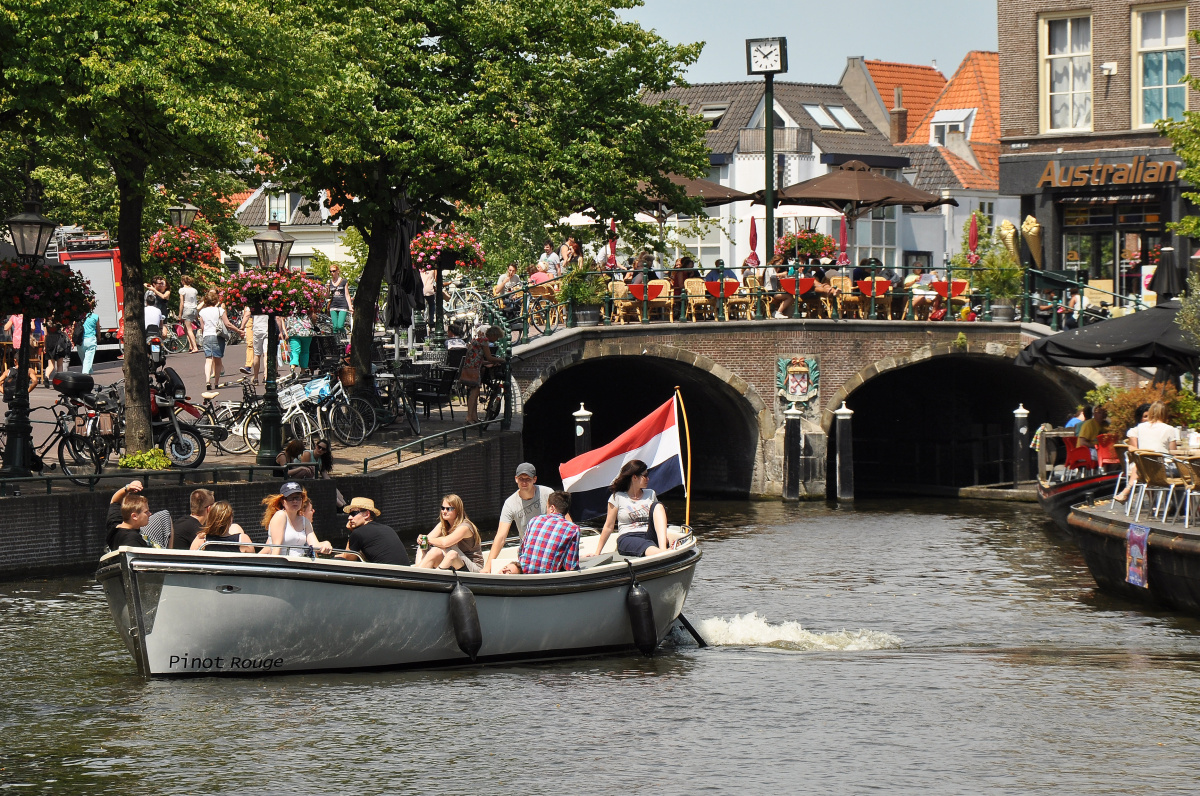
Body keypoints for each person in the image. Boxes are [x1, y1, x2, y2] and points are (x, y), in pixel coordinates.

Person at [482, 462, 553, 573]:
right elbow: (501, 536)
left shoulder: (547, 493)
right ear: (516, 479)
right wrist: (487, 567)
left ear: (534, 479)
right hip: (527, 550)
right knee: (510, 570)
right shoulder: (510, 503)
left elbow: (563, 518)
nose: (524, 482)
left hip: (549, 544)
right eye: (521, 479)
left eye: (528, 479)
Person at [593, 459, 670, 557]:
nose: (648, 479)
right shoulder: (617, 497)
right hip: (628, 537)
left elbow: (658, 520)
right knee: (645, 545)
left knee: (658, 506)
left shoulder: (651, 494)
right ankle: (663, 554)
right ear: (634, 477)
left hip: (649, 534)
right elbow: (608, 526)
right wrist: (597, 552)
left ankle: (663, 549)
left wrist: (665, 539)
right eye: (645, 476)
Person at [499, 491, 580, 575]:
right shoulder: (573, 529)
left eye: (547, 507)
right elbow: (570, 566)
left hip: (525, 573)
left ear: (552, 508)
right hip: (547, 576)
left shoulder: (534, 520)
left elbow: (521, 551)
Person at [1115, 401, 1178, 503]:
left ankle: (1128, 489)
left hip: (1144, 468)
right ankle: (1179, 506)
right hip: (1162, 468)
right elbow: (1173, 453)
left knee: (1139, 463)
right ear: (1165, 414)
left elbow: (1131, 435)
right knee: (1186, 473)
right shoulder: (1169, 429)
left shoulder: (1140, 428)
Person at [259, 482, 333, 556]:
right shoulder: (280, 515)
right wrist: (275, 562)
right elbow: (276, 548)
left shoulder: (305, 522)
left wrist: (326, 543)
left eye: (297, 498)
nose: (295, 501)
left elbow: (315, 545)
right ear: (283, 501)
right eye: (290, 498)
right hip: (284, 561)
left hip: (300, 561)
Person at [414, 494, 483, 571]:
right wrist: (421, 539)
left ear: (458, 510)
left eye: (448, 509)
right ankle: (417, 571)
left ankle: (428, 573)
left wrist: (427, 539)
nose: (444, 511)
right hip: (453, 562)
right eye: (443, 508)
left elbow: (445, 543)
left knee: (448, 548)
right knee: (423, 546)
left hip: (473, 568)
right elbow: (428, 539)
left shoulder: (465, 527)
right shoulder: (442, 525)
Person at [338, 497, 411, 566]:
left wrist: (352, 532)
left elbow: (349, 559)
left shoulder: (358, 533)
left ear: (367, 514)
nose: (349, 518)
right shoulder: (387, 528)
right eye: (349, 514)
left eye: (354, 513)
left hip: (386, 573)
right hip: (404, 571)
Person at [461, 325, 504, 424]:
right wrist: (502, 360)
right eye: (497, 337)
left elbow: (479, 358)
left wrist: (490, 362)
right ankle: (469, 417)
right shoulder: (484, 341)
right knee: (474, 393)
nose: (497, 340)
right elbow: (489, 357)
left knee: (474, 392)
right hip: (474, 369)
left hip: (470, 367)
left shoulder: (479, 339)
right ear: (493, 335)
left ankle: (474, 417)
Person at [198, 289, 236, 390]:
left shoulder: (202, 312)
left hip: (207, 336)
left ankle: (207, 380)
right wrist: (238, 330)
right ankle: (216, 383)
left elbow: (202, 327)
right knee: (218, 360)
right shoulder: (220, 310)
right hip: (218, 336)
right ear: (215, 301)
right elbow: (227, 324)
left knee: (208, 359)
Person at [190, 501, 255, 553]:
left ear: (210, 518)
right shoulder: (242, 540)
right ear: (230, 519)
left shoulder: (201, 540)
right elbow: (252, 561)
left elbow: (191, 559)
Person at [105, 480, 151, 550]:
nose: (150, 514)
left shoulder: (114, 526)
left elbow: (115, 502)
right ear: (134, 516)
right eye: (146, 512)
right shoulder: (132, 540)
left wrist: (127, 488)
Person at [285, 309, 316, 378]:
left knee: (295, 351)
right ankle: (303, 371)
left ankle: (293, 366)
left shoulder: (290, 307)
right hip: (306, 331)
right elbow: (314, 317)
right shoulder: (308, 306)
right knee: (305, 351)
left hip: (293, 330)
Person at [177, 275, 200, 353]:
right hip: (194, 309)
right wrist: (197, 314)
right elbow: (195, 301)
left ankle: (195, 347)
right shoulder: (194, 290)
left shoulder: (182, 290)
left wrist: (180, 314)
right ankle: (191, 345)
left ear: (183, 281)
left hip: (187, 309)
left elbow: (182, 303)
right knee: (186, 329)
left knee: (189, 329)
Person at [327, 264, 353, 332]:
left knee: (340, 325)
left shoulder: (344, 281)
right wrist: (327, 288)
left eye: (334, 271)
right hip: (333, 305)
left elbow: (347, 294)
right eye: (330, 271)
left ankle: (343, 336)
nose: (332, 273)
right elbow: (327, 296)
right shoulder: (329, 282)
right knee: (335, 326)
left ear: (338, 271)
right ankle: (336, 338)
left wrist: (350, 307)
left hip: (342, 305)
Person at [79, 309, 100, 375]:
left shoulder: (79, 316)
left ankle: (89, 375)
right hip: (91, 340)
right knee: (88, 360)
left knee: (85, 361)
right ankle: (85, 375)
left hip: (80, 341)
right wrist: (99, 337)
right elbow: (98, 328)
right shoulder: (95, 317)